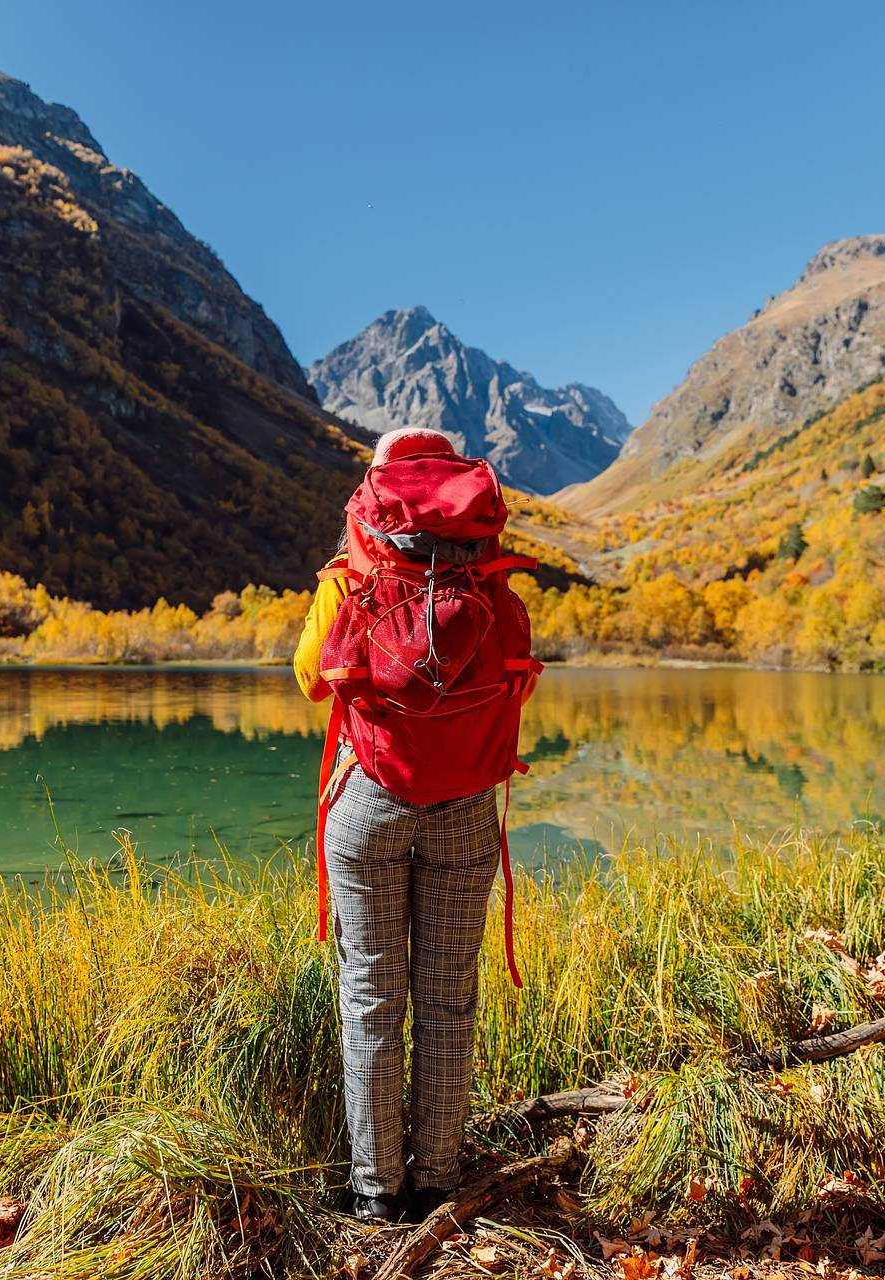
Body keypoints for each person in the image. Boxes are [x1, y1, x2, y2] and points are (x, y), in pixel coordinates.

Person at [293, 427, 540, 1224]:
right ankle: (437, 1179)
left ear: (376, 490)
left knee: (369, 995)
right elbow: (514, 683)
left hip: (367, 797)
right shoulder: (492, 582)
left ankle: (376, 1191)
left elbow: (308, 680)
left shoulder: (352, 578)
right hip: (465, 805)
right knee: (447, 994)